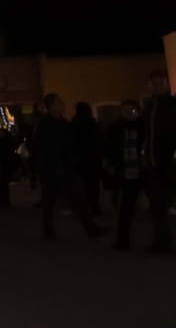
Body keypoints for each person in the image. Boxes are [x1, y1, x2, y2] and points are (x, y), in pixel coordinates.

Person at [32, 93, 107, 242]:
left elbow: (70, 145)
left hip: (67, 168)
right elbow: (42, 148)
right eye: (59, 102)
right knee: (50, 201)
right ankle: (49, 231)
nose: (62, 105)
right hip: (52, 170)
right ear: (51, 106)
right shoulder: (44, 125)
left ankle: (90, 229)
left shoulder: (64, 123)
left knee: (76, 199)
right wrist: (53, 166)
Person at [139, 70, 175, 254]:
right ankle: (161, 243)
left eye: (161, 83)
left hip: (171, 164)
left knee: (164, 205)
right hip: (153, 165)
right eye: (154, 83)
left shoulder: (173, 105)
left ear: (167, 85)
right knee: (157, 207)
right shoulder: (149, 107)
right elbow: (147, 136)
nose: (157, 86)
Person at [104, 99, 146, 250]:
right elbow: (109, 149)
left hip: (144, 171)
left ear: (138, 112)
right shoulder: (115, 128)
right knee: (125, 209)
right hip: (125, 173)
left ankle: (160, 240)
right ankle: (123, 241)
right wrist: (111, 165)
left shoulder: (145, 128)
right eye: (125, 111)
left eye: (132, 111)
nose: (129, 114)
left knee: (155, 208)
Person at [70, 101, 104, 217]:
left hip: (80, 158)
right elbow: (98, 140)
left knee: (83, 185)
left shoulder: (74, 122)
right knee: (93, 184)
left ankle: (86, 206)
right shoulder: (92, 123)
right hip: (92, 158)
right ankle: (95, 206)